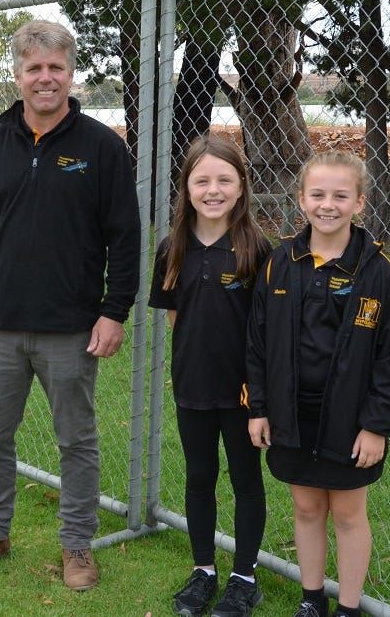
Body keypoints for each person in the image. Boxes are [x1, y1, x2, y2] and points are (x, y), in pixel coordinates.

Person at [0, 19, 141, 591]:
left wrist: (114, 311)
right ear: (18, 75)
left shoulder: (101, 147)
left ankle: (77, 545)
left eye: (56, 67)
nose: (46, 78)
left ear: (70, 72)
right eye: (34, 68)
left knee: (76, 441)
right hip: (1, 325)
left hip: (71, 329)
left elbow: (124, 238)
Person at [245, 151, 390, 617]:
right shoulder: (280, 263)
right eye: (317, 194)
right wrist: (259, 408)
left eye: (341, 195)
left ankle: (349, 607)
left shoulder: (378, 273)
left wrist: (377, 425)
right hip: (291, 413)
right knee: (306, 508)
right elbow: (257, 344)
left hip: (350, 419)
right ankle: (312, 599)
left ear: (359, 202)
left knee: (347, 513)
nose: (328, 204)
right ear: (301, 199)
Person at [149, 135, 272, 617]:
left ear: (241, 187)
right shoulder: (172, 248)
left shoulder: (257, 249)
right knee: (199, 476)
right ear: (187, 187)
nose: (213, 190)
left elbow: (266, 328)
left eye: (224, 179)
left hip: (243, 393)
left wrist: (259, 395)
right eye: (202, 180)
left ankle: (244, 577)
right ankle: (203, 570)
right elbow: (177, 318)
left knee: (245, 478)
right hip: (193, 386)